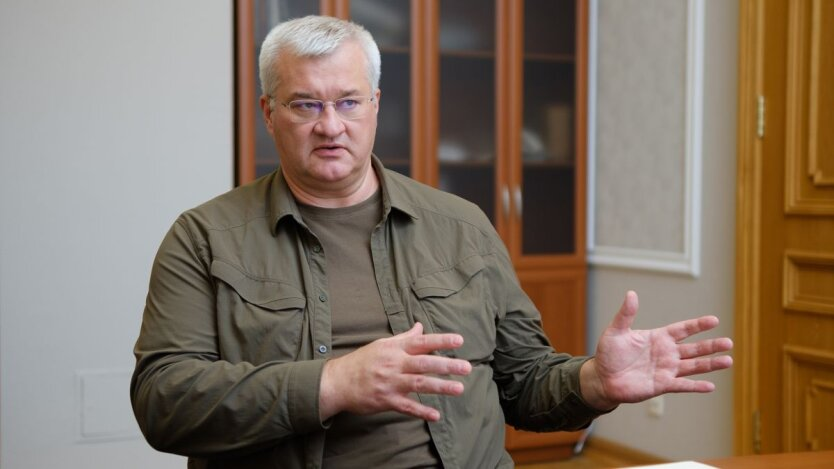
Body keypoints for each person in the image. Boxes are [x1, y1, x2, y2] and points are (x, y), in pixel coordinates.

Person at [130, 15, 733, 469]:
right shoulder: (203, 238)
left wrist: (594, 382)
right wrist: (333, 383)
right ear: (268, 111)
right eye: (305, 104)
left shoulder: (463, 225)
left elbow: (523, 383)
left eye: (348, 101)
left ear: (375, 105)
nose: (330, 125)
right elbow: (164, 401)